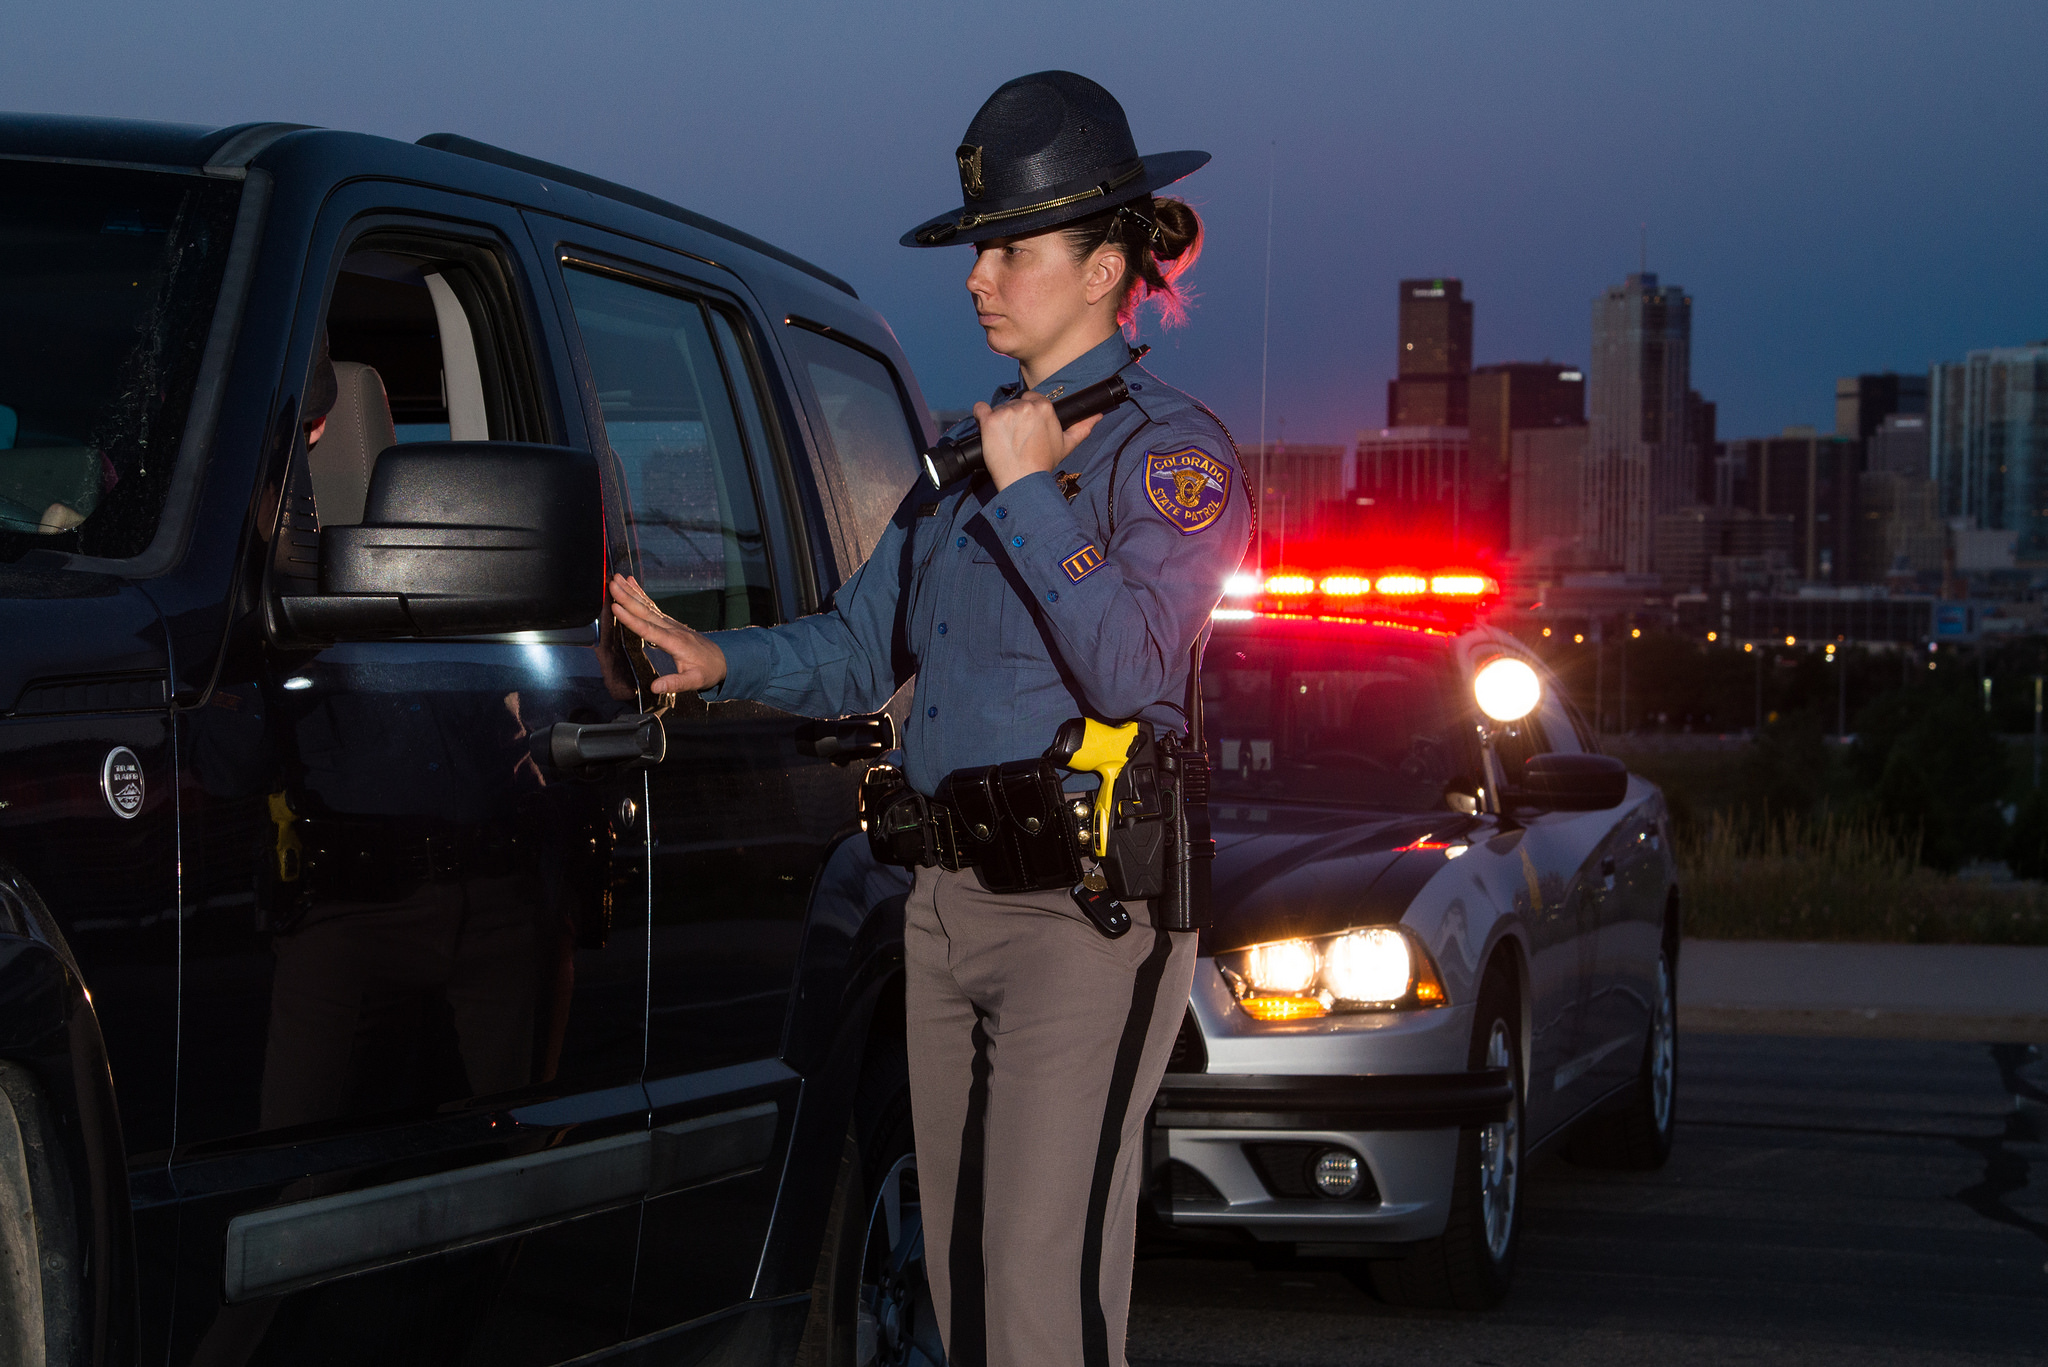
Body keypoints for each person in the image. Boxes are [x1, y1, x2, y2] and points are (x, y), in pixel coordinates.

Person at [609, 70, 1248, 1367]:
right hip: (942, 911)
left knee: (1037, 1296)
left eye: (1010, 248)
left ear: (1106, 259)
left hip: (1083, 918)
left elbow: (1131, 667)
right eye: (977, 250)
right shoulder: (958, 470)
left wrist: (1032, 498)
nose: (979, 278)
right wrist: (711, 654)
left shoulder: (1168, 459)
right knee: (955, 1284)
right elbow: (857, 650)